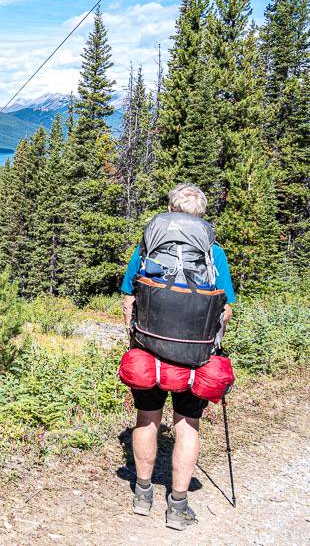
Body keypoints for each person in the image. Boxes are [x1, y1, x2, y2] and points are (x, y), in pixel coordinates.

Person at [120, 183, 236, 530]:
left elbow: (129, 299)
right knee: (187, 425)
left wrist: (135, 338)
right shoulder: (214, 253)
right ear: (201, 217)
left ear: (170, 210)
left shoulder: (148, 249)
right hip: (195, 357)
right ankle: (178, 506)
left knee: (147, 419)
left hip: (149, 350)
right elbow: (225, 309)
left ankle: (143, 495)